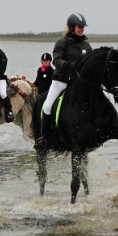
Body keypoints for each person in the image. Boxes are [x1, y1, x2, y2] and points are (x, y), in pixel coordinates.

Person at [37, 13, 93, 147]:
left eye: (83, 27)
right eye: (79, 27)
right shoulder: (61, 43)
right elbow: (56, 60)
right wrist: (68, 65)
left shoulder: (86, 45)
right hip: (61, 81)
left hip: (78, 83)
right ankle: (43, 138)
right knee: (48, 106)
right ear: (71, 27)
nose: (82, 29)